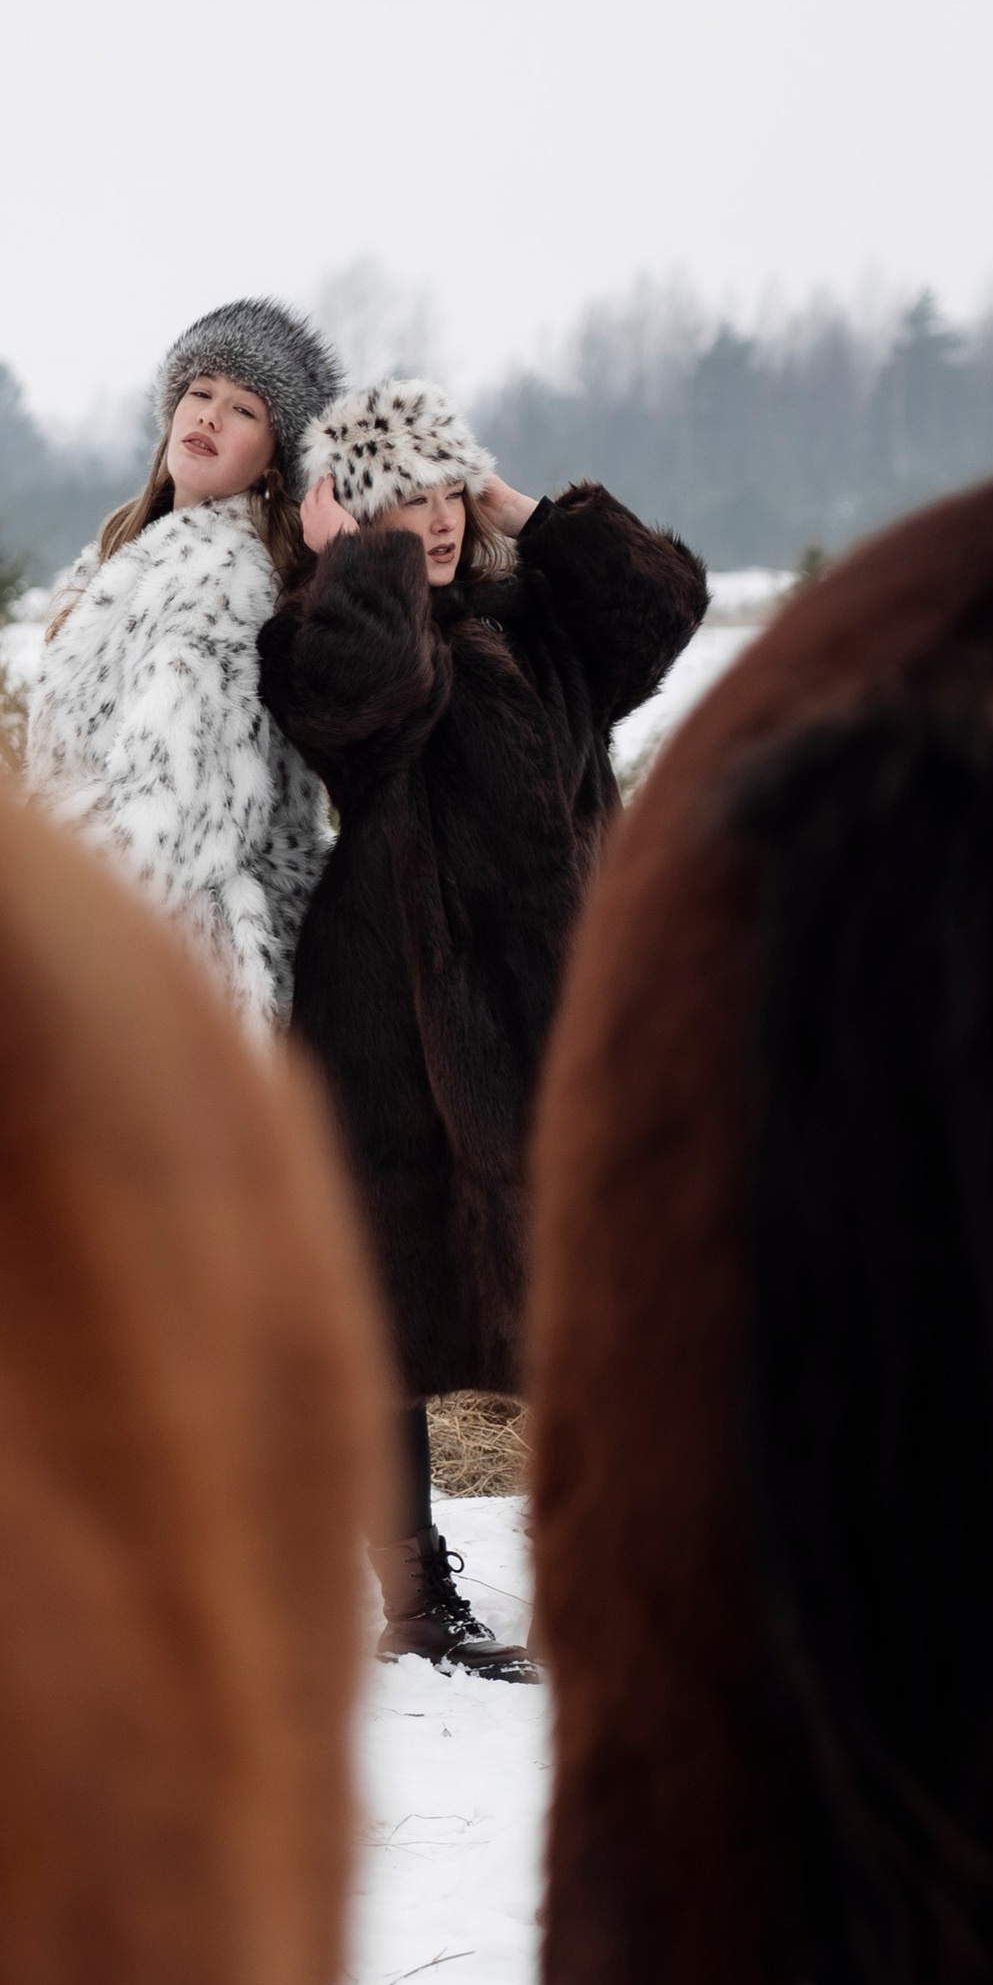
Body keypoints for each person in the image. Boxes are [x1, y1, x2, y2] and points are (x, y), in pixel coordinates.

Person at [260, 379, 705, 1679]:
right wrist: (362, 563)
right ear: (355, 516)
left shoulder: (545, 622)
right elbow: (355, 696)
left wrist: (532, 510)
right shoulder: (322, 633)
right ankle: (419, 1599)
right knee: (392, 1317)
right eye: (403, 494)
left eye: (448, 488)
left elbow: (662, 610)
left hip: (570, 1019)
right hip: (399, 1028)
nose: (436, 519)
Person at [26, 298, 340, 1034]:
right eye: (198, 393)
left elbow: (175, 824)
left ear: (275, 458)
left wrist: (28, 895)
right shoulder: (119, 562)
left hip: (178, 970)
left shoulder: (222, 575)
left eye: (242, 410)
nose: (208, 416)